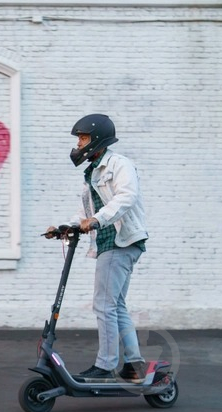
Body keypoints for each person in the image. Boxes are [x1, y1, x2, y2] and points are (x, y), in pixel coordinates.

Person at [47, 114, 149, 382]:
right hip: (110, 242)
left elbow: (126, 197)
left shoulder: (119, 164)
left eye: (83, 138)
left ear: (98, 139)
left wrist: (97, 220)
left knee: (103, 305)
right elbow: (86, 210)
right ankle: (135, 365)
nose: (79, 144)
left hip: (120, 240)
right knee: (116, 305)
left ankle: (105, 365)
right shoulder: (93, 171)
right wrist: (64, 226)